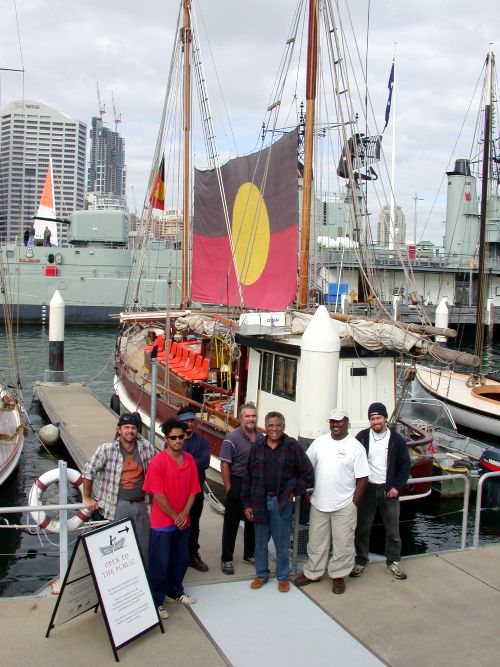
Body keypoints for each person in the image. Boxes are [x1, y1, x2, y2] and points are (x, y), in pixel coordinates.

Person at [294, 408, 369, 594]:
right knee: (316, 542)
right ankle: (313, 572)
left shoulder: (355, 446)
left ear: (347, 422)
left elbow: (363, 479)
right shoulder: (319, 442)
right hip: (319, 503)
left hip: (344, 505)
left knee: (343, 544)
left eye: (339, 421)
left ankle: (338, 576)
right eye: (332, 421)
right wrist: (304, 490)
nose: (335, 425)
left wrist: (354, 504)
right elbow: (305, 466)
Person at [242, 411, 314, 592]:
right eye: (271, 425)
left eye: (278, 425)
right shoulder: (257, 447)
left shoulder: (292, 446)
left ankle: (283, 577)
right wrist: (247, 504)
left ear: (284, 427)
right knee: (260, 542)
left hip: (281, 502)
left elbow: (307, 473)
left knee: (282, 542)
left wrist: (293, 491)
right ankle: (261, 574)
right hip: (259, 500)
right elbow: (248, 477)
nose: (274, 429)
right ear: (266, 427)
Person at [143, 418, 200, 619]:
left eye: (181, 437)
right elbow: (158, 494)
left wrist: (184, 514)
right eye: (173, 437)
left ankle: (175, 591)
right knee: (159, 563)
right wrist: (176, 516)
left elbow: (194, 490)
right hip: (163, 522)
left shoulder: (190, 460)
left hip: (183, 521)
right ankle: (156, 600)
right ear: (165, 439)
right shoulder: (158, 462)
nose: (177, 441)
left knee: (180, 559)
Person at [83, 412, 156, 563]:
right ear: (119, 430)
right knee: (118, 547)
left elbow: (158, 470)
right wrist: (87, 497)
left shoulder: (147, 447)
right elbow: (88, 470)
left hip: (143, 503)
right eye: (126, 427)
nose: (130, 431)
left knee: (145, 546)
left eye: (133, 428)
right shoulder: (106, 449)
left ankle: (145, 580)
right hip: (117, 505)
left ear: (137, 430)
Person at [350, 402, 411, 580]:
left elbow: (405, 465)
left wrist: (397, 487)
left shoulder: (396, 440)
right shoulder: (361, 437)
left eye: (378, 418)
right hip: (367, 489)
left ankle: (393, 561)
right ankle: (360, 560)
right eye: (372, 418)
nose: (375, 421)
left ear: (385, 419)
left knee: (392, 529)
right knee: (362, 528)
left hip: (388, 490)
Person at [220, 402, 263, 575]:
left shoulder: (260, 438)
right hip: (238, 482)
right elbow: (224, 465)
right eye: (248, 416)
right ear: (240, 418)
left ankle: (249, 553)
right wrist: (229, 488)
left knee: (252, 520)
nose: (251, 419)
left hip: (255, 485)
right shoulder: (232, 438)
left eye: (253, 416)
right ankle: (226, 558)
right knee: (231, 523)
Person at [177, 405, 210, 571]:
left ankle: (192, 554)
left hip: (196, 490)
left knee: (194, 524)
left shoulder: (202, 441)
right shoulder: (175, 440)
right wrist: (192, 463)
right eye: (185, 421)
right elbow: (170, 463)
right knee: (178, 524)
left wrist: (184, 463)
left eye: (191, 420)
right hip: (177, 491)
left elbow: (205, 462)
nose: (189, 424)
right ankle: (178, 555)